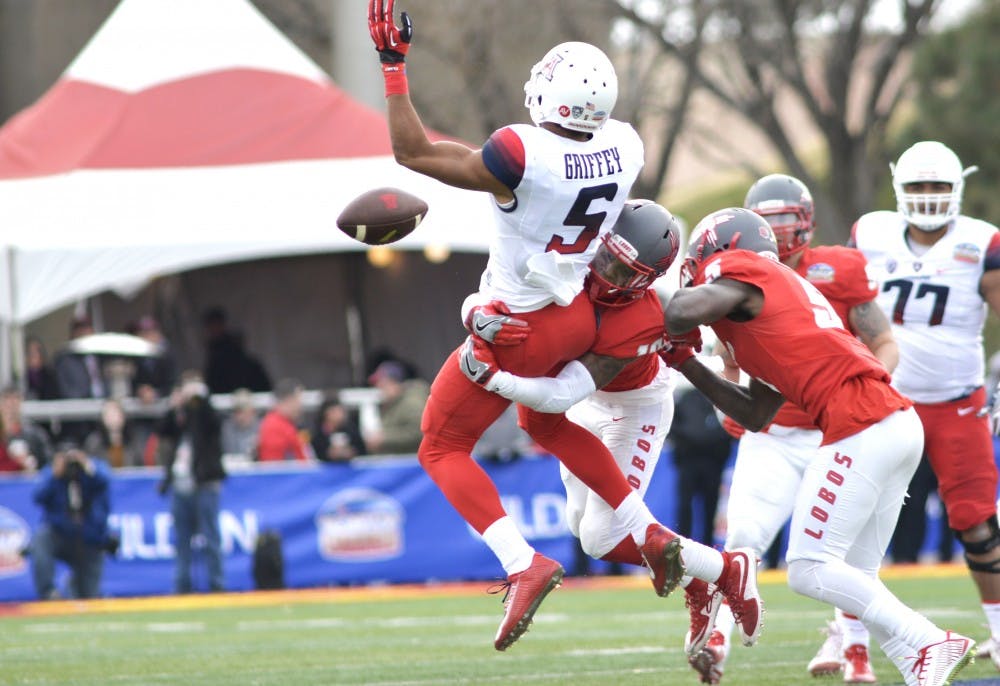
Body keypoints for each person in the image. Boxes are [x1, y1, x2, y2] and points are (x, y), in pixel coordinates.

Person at [367, 1, 711, 652]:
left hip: (520, 323)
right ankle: (649, 528)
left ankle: (522, 562)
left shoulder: (519, 153)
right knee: (545, 424)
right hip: (575, 312)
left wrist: (392, 64)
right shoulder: (625, 145)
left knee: (439, 447)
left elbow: (411, 152)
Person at [662, 207, 974, 686]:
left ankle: (930, 639)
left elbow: (679, 310)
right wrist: (688, 364)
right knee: (858, 580)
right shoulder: (769, 304)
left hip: (861, 422)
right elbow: (757, 414)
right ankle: (921, 667)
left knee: (807, 567)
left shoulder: (741, 270)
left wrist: (655, 311)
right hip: (892, 422)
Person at [459, 200, 763, 646]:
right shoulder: (567, 267)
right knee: (580, 526)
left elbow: (562, 394)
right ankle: (701, 579)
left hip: (633, 407)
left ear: (647, 281)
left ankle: (723, 569)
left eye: (626, 273)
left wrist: (495, 379)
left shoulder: (642, 317)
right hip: (587, 402)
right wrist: (475, 317)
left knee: (601, 537)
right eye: (606, 259)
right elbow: (486, 292)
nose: (607, 276)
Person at [693, 174, 899, 684]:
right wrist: (730, 392)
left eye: (788, 218)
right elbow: (732, 360)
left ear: (807, 221)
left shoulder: (837, 269)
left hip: (841, 430)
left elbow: (883, 340)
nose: (781, 233)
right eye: (771, 221)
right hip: (777, 432)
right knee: (744, 535)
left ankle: (857, 651)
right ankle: (717, 633)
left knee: (843, 556)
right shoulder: (734, 281)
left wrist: (868, 390)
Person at [850, 140, 1000, 671]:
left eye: (938, 186)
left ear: (957, 189)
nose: (929, 197)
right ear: (899, 190)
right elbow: (848, 304)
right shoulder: (870, 233)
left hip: (957, 402)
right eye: (918, 186)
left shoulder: (981, 243)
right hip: (885, 402)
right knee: (857, 519)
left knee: (977, 522)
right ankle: (849, 643)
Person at [157, 371, 226, 593]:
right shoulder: (181, 415)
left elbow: (211, 423)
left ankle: (217, 584)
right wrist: (174, 406)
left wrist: (200, 398)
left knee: (211, 538)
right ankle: (182, 585)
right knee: (182, 540)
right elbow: (163, 431)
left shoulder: (205, 412)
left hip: (205, 483)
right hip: (181, 484)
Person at [29, 441, 113, 599]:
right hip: (60, 534)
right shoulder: (54, 474)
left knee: (89, 594)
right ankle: (48, 591)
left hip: (89, 537)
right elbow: (37, 496)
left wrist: (86, 465)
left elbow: (105, 479)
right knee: (41, 538)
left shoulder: (92, 471)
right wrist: (55, 474)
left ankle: (74, 588)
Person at [669, 386, 732, 545]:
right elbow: (672, 425)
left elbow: (729, 428)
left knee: (710, 508)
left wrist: (710, 443)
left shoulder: (720, 398)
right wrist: (689, 441)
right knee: (685, 507)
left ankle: (709, 549)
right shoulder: (687, 397)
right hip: (688, 463)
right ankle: (682, 549)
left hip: (713, 464)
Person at [201, 307, 272, 394]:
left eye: (216, 324)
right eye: (211, 326)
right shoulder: (213, 352)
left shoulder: (231, 350)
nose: (213, 329)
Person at [365, 361, 429, 455]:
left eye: (382, 383)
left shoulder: (411, 402)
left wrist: (384, 438)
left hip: (411, 464)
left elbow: (419, 432)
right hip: (402, 463)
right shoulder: (393, 403)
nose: (379, 388)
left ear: (393, 383)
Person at [0, 384, 53, 471]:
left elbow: (48, 463)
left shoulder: (35, 434)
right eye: (7, 399)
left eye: (15, 399)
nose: (11, 404)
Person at [256, 378, 310, 462]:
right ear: (289, 400)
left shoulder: (285, 424)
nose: (300, 405)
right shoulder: (274, 426)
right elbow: (273, 466)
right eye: (298, 400)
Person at [83, 398, 143, 468]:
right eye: (108, 414)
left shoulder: (134, 441)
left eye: (115, 413)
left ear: (123, 416)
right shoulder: (94, 442)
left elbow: (140, 467)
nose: (112, 417)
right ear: (102, 418)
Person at [311, 393, 366, 462]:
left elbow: (361, 449)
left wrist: (351, 452)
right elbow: (315, 453)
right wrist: (328, 453)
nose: (339, 415)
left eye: (340, 411)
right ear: (326, 413)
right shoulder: (318, 434)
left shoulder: (350, 430)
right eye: (335, 412)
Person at [220, 388, 260, 459]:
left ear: (253, 411)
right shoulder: (226, 429)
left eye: (244, 411)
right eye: (237, 411)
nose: (241, 416)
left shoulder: (263, 427)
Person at [24, 336, 60, 401]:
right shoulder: (21, 376)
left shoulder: (50, 375)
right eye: (30, 351)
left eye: (37, 350)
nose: (33, 354)